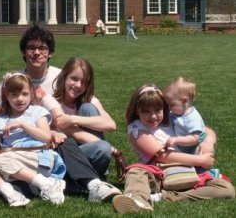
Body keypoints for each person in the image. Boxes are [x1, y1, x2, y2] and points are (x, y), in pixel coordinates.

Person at [0, 25, 122, 202]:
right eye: (31, 47)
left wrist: (70, 120)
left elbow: (107, 121)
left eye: (42, 48)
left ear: (50, 52)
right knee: (70, 143)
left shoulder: (60, 78)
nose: (37, 52)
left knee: (87, 110)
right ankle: (89, 181)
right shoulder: (13, 82)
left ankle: (77, 180)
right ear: (24, 52)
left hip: (68, 141)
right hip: (45, 144)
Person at [112, 84, 235, 213]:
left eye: (158, 110)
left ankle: (162, 197)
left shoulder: (172, 118)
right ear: (137, 110)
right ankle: (136, 198)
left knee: (226, 188)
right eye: (146, 111)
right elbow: (162, 156)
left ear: (163, 108)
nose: (153, 116)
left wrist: (208, 142)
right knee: (136, 172)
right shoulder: (137, 128)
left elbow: (206, 130)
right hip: (157, 173)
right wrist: (200, 160)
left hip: (187, 171)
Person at [0, 72, 66, 206]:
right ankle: (12, 194)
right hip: (12, 162)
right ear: (6, 96)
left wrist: (23, 125)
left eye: (24, 94)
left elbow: (46, 138)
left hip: (38, 157)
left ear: (31, 95)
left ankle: (45, 184)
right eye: (14, 94)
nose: (20, 99)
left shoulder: (37, 112)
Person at [52, 57, 127, 180]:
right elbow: (76, 134)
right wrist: (114, 150)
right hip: (66, 155)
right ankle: (93, 178)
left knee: (88, 108)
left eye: (84, 82)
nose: (78, 85)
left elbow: (111, 125)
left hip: (87, 148)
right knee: (102, 148)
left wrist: (72, 119)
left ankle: (95, 175)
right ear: (64, 76)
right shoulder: (53, 104)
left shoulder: (88, 100)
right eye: (74, 79)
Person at [163, 77, 205, 154]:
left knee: (198, 156)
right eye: (167, 105)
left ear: (185, 101)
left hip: (194, 147)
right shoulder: (176, 112)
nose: (169, 108)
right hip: (184, 148)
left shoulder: (192, 118)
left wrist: (176, 140)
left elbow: (195, 138)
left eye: (172, 105)